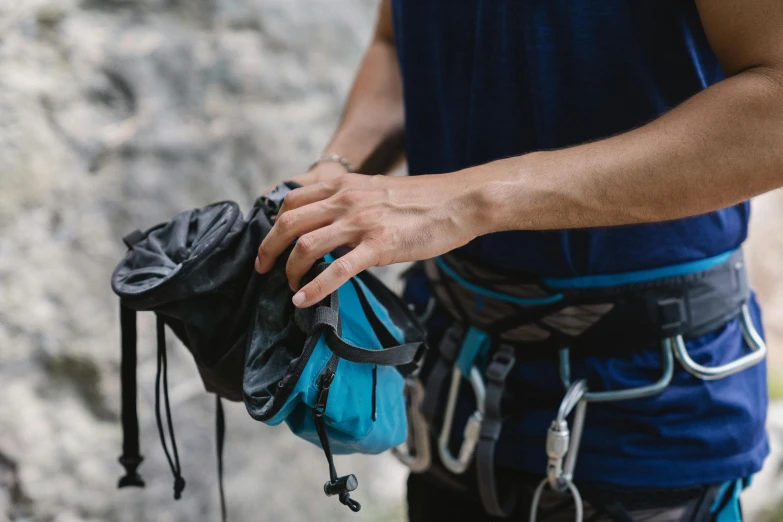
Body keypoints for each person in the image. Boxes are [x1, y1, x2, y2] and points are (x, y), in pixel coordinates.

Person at [254, 0, 783, 520]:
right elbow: (399, 43)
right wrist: (331, 176)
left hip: (645, 413)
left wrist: (469, 199)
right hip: (451, 387)